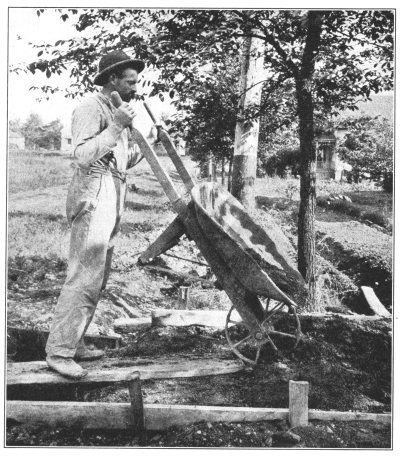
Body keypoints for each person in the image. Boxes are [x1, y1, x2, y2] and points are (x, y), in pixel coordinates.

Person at [45, 50, 145, 379]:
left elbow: (120, 160)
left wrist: (146, 143)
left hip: (113, 190)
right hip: (93, 190)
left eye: (136, 82)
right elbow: (83, 155)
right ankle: (59, 352)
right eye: (130, 81)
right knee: (84, 274)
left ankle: (74, 342)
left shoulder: (116, 110)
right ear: (112, 78)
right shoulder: (91, 107)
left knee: (98, 276)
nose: (135, 87)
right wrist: (116, 126)